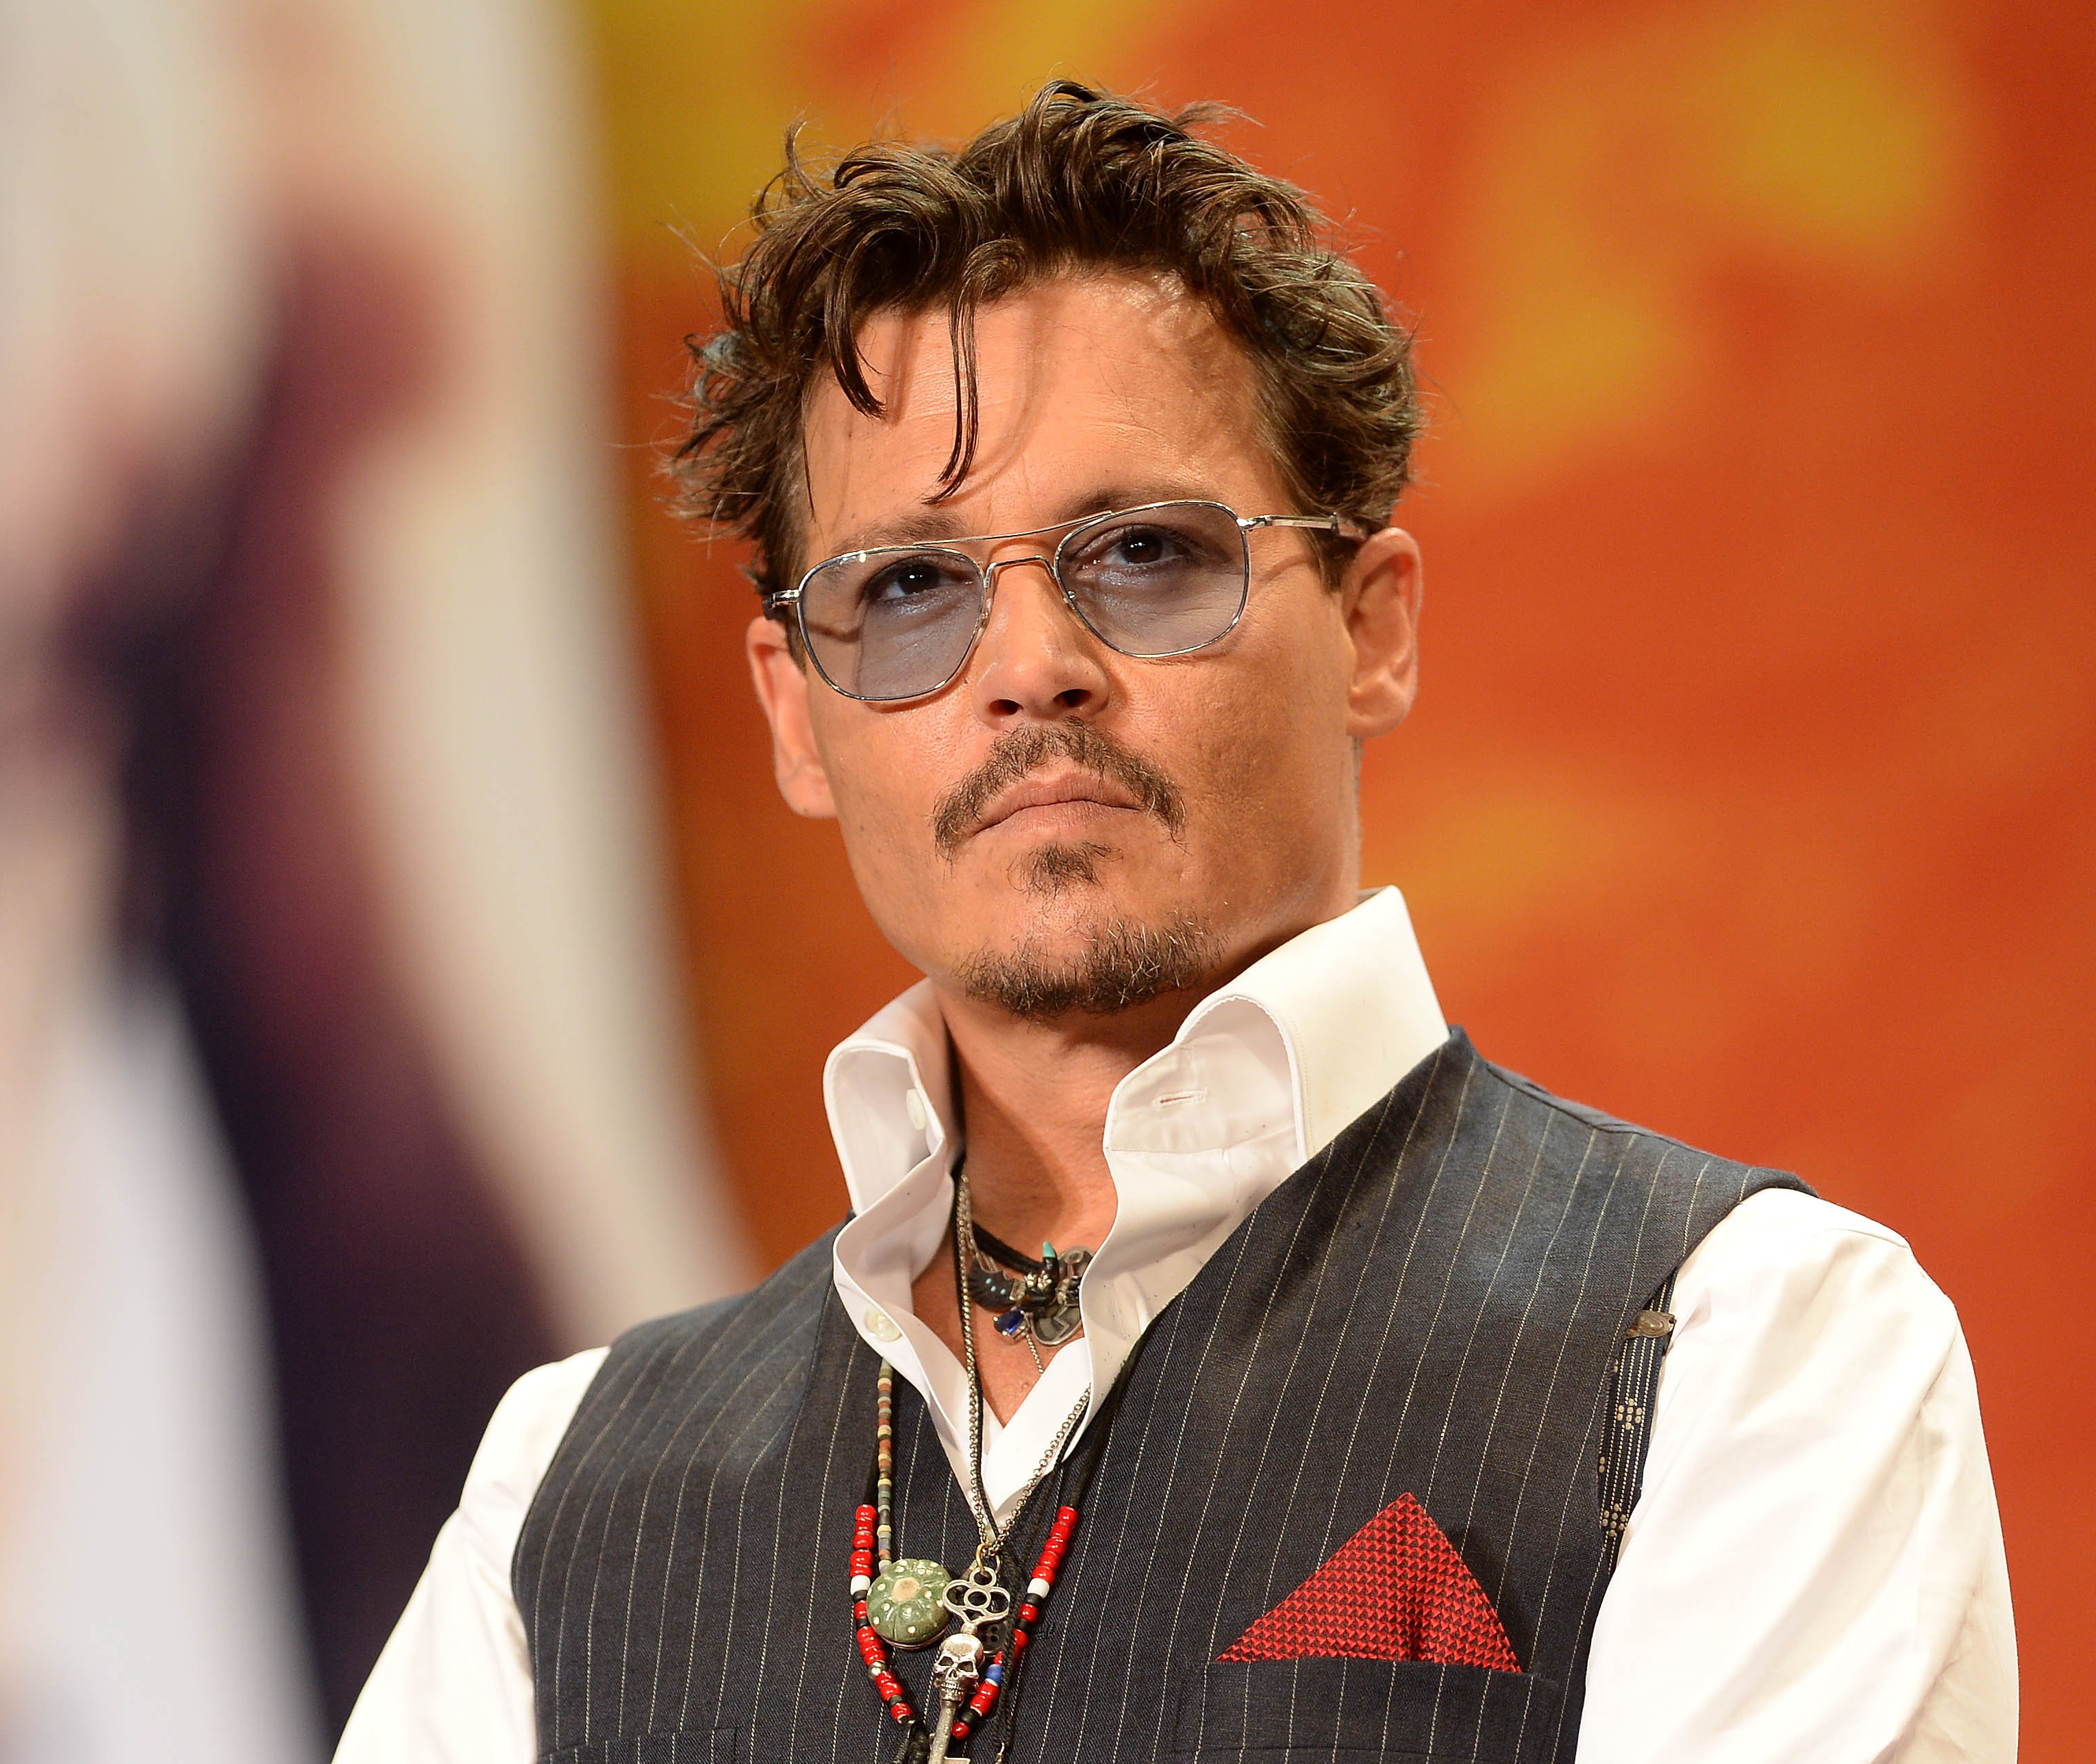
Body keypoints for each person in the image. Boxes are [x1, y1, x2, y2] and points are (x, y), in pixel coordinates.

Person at [333, 84, 2013, 1763]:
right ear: (796, 710)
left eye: (1142, 551)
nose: (1027, 665)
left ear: (1371, 629)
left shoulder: (1753, 1347)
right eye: (907, 588)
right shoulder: (571, 1484)